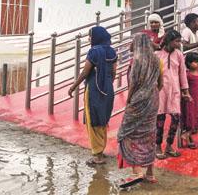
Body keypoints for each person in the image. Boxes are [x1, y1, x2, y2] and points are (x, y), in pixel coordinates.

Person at [117, 33, 163, 188]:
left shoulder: (136, 61)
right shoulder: (156, 59)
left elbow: (133, 84)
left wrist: (129, 100)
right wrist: (152, 93)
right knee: (149, 133)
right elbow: (160, 82)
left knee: (127, 132)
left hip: (139, 98)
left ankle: (137, 172)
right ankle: (150, 173)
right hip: (154, 98)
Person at [68, 26, 118, 166]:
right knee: (103, 119)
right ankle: (100, 149)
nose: (89, 39)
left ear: (96, 37)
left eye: (90, 36)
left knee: (93, 119)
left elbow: (85, 72)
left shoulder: (93, 52)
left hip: (94, 89)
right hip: (108, 88)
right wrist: (107, 83)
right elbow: (114, 73)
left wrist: (73, 87)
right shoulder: (112, 51)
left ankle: (98, 156)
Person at [155, 30, 190, 159]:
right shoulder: (157, 54)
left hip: (175, 90)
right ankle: (158, 147)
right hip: (160, 90)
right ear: (169, 41)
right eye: (176, 41)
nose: (178, 44)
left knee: (176, 118)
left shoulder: (179, 55)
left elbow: (182, 74)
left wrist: (185, 91)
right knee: (160, 120)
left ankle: (169, 146)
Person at [180, 51, 198, 148]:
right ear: (188, 63)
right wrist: (185, 95)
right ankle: (186, 135)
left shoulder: (197, 71)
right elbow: (182, 86)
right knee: (191, 117)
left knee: (196, 116)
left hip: (197, 99)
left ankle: (189, 136)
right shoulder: (187, 75)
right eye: (195, 62)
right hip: (190, 100)